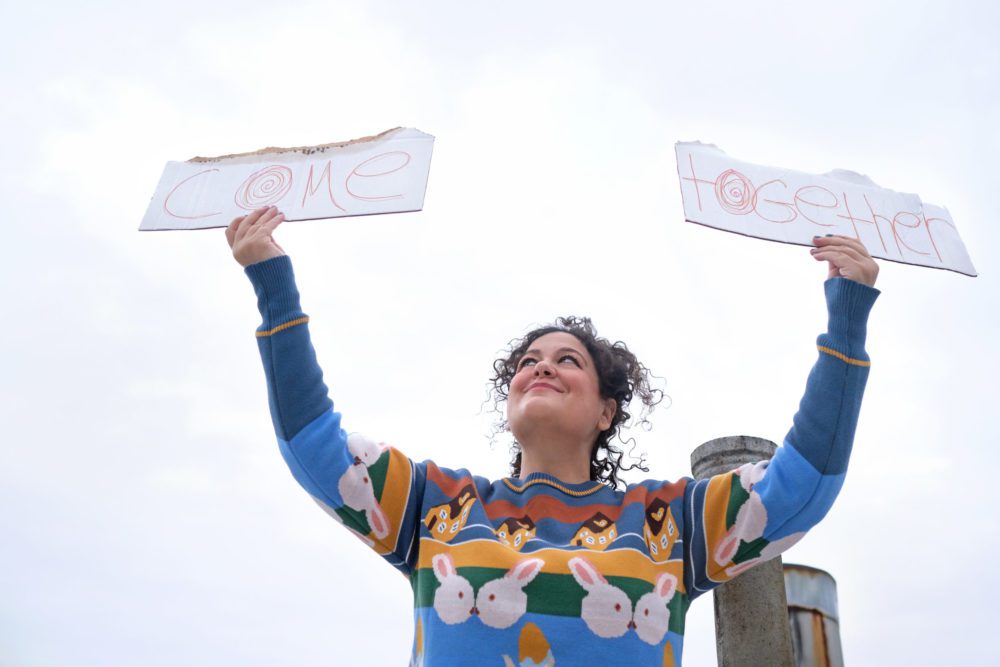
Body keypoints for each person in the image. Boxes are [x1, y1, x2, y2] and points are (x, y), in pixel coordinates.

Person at [226, 205, 879, 666]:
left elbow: (805, 483)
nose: (540, 365)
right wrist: (272, 284)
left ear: (606, 410)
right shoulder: (436, 506)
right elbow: (312, 444)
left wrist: (847, 316)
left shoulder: (668, 522)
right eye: (528, 361)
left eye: (568, 359)